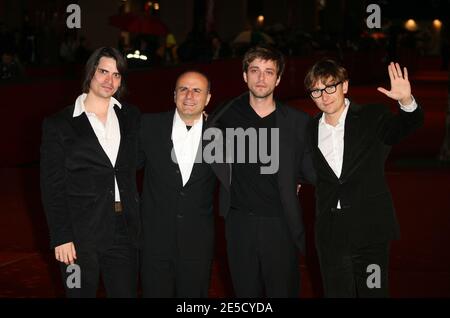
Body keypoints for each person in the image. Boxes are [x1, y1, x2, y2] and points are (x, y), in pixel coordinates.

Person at [304, 59, 424, 297]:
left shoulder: (372, 116)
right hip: (331, 234)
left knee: (374, 292)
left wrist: (406, 101)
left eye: (330, 87)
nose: (324, 96)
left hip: (370, 231)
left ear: (345, 86)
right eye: (317, 91)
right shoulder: (309, 128)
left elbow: (407, 125)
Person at [208, 45, 316, 297]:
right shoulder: (224, 115)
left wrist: (295, 177)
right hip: (239, 222)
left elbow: (311, 168)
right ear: (245, 75)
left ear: (278, 79)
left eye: (269, 72)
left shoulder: (298, 121)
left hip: (280, 222)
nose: (261, 77)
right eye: (255, 70)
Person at [40, 47, 141, 297]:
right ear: (90, 73)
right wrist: (61, 236)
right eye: (103, 72)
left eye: (117, 75)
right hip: (79, 233)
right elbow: (52, 186)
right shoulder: (59, 124)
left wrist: (195, 119)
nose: (110, 80)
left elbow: (160, 137)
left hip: (123, 230)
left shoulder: (131, 116)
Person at [139, 71, 216, 297]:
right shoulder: (148, 125)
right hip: (154, 241)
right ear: (174, 95)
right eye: (183, 89)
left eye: (197, 90)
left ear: (208, 98)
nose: (189, 95)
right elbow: (121, 166)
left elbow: (247, 172)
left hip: (198, 242)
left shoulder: (222, 132)